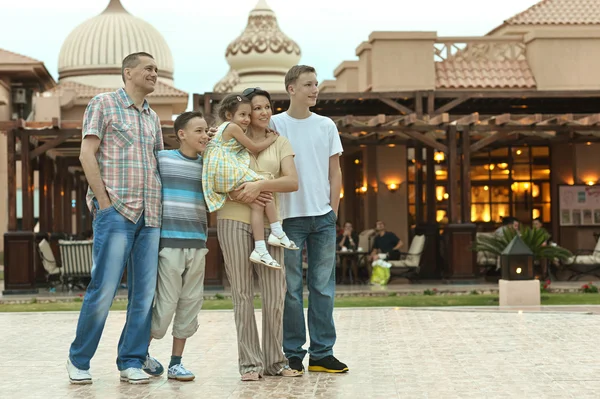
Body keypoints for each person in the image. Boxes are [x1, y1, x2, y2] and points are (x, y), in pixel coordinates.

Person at [67, 52, 163, 385]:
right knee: (104, 289)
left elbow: (157, 164)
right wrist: (105, 205)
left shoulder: (153, 117)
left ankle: (131, 360)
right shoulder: (103, 104)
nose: (154, 73)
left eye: (156, 69)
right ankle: (79, 359)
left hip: (150, 216)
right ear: (128, 72)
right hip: (117, 213)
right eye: (148, 68)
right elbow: (86, 153)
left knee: (144, 294)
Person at [217, 87, 302, 381]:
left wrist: (259, 187)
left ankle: (275, 362)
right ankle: (250, 364)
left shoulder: (279, 142)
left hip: (269, 226)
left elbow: (291, 182)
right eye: (258, 108)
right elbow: (216, 176)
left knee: (275, 294)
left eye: (268, 107)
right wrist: (245, 192)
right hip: (231, 220)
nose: (265, 112)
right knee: (241, 293)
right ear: (245, 113)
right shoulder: (229, 140)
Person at [271, 65, 348, 374]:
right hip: (289, 219)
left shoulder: (326, 125)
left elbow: (335, 171)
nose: (315, 89)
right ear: (291, 89)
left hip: (323, 218)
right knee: (290, 289)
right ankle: (292, 353)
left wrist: (334, 211)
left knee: (323, 287)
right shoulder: (276, 124)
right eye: (308, 85)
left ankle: (322, 353)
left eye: (316, 84)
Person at [143, 111, 210, 382]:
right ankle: (139, 356)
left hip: (198, 244)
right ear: (181, 134)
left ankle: (176, 363)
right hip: (169, 244)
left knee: (190, 304)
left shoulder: (209, 164)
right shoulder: (163, 159)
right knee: (166, 305)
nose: (205, 135)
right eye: (199, 131)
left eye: (206, 131)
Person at [203, 94, 299, 270]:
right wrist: (271, 139)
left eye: (267, 107)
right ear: (229, 115)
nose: (247, 118)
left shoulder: (227, 132)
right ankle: (276, 231)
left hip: (218, 176)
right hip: (226, 181)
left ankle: (262, 247)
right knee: (263, 182)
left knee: (259, 199)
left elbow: (293, 182)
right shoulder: (232, 129)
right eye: (254, 110)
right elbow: (253, 147)